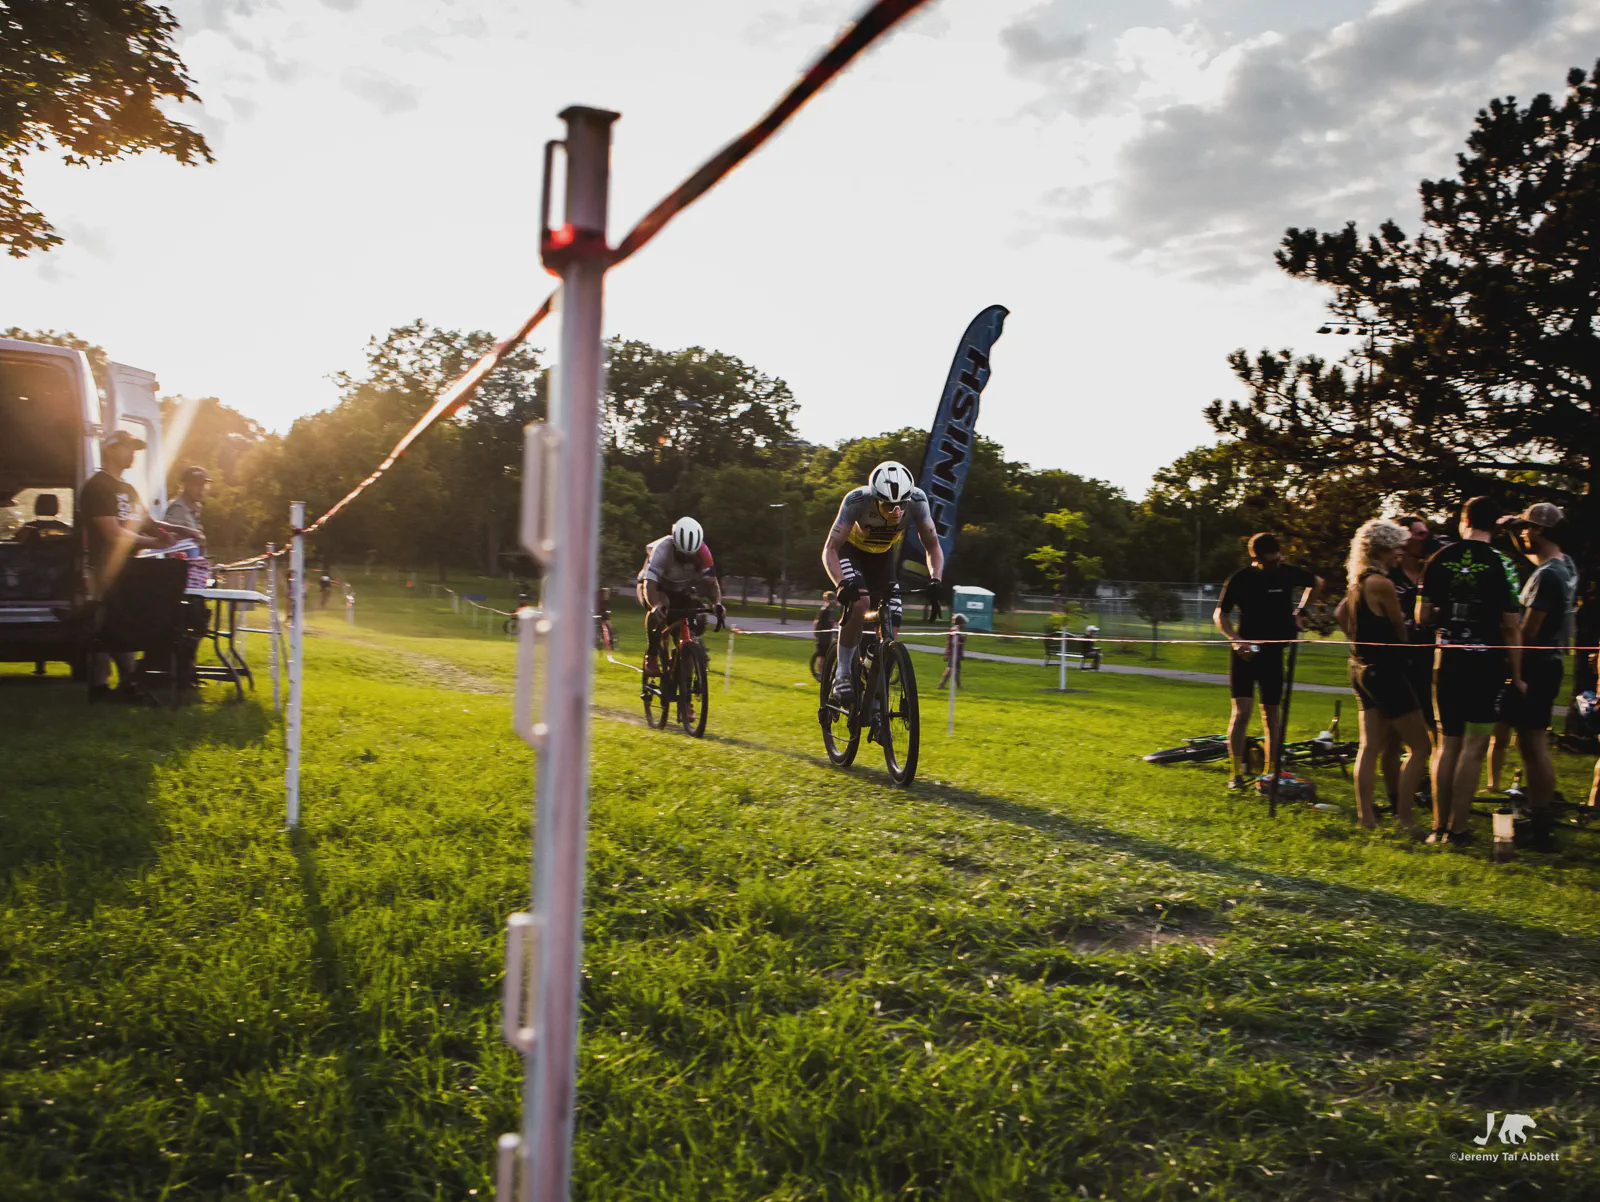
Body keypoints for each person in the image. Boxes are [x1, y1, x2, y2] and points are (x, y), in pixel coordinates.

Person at [1416, 496, 1523, 846]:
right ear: (1495, 526)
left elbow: (1422, 616)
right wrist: (1517, 674)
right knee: (1474, 747)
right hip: (1485, 664)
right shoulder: (1503, 564)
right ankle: (1458, 828)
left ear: (1464, 521)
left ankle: (1437, 827)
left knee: (1446, 745)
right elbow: (1511, 625)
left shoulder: (1438, 559)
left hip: (1446, 660)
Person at [821, 461, 944, 702]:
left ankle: (876, 697)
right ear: (876, 498)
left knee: (892, 622)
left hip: (882, 557)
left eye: (901, 504)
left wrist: (936, 580)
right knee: (860, 603)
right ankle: (843, 673)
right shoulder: (857, 501)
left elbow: (933, 547)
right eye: (889, 505)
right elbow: (830, 548)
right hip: (852, 552)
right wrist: (841, 583)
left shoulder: (918, 500)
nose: (897, 512)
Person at [1338, 519, 1431, 831]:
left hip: (1360, 668)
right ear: (1381, 549)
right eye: (1395, 548)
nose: (1399, 554)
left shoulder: (1357, 582)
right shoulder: (1382, 583)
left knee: (1369, 747)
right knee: (1420, 747)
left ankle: (1366, 818)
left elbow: (1340, 613)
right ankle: (1404, 818)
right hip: (1387, 672)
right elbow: (1401, 631)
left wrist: (1360, 637)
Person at [1213, 533, 1322, 793]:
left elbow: (1317, 582)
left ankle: (1271, 773)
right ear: (1256, 559)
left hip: (1273, 653)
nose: (1277, 563)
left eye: (1279, 558)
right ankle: (1236, 773)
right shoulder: (1240, 579)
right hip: (1245, 653)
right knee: (1242, 712)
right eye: (1271, 561)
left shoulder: (1287, 573)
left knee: (1272, 714)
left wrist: (1301, 611)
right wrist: (1235, 640)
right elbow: (1220, 614)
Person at [1501, 503, 1578, 851]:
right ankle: (1541, 811)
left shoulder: (1546, 576)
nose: (1522, 533)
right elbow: (1532, 555)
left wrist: (1505, 631)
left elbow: (1529, 631)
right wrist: (1509, 531)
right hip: (1553, 661)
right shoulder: (1565, 564)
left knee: (1532, 745)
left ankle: (1541, 820)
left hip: (1537, 664)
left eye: (1526, 528)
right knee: (1533, 742)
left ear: (1541, 530)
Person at [80, 430, 174, 699]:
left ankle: (128, 682)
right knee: (105, 624)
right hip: (102, 568)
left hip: (130, 569)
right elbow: (113, 533)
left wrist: (177, 532)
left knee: (123, 622)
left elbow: (148, 522)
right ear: (110, 450)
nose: (133, 453)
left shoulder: (129, 489)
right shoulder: (97, 487)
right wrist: (154, 542)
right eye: (128, 447)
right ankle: (101, 686)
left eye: (135, 448)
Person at [1382, 515, 1435, 809]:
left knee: (1432, 733)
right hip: (1397, 663)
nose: (1425, 539)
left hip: (1429, 661)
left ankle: (1425, 789)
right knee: (1392, 738)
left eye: (1426, 533)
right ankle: (1395, 800)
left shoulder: (1432, 571)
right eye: (1419, 534)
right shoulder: (1389, 575)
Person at [636, 516, 725, 676]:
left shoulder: (703, 553)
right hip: (653, 587)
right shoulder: (663, 549)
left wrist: (717, 604)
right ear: (675, 544)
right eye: (682, 554)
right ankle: (652, 655)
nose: (686, 559)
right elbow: (650, 585)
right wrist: (656, 605)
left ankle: (684, 670)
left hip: (680, 589)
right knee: (662, 606)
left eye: (691, 555)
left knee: (694, 617)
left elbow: (712, 584)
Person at [162, 466, 211, 548]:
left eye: (204, 485)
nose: (201, 489)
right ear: (185, 486)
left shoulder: (193, 508)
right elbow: (172, 547)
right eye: (196, 485)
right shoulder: (178, 510)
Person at [811, 590, 839, 677]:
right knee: (823, 655)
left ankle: (820, 672)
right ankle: (821, 673)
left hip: (823, 635)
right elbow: (831, 622)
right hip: (825, 636)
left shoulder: (824, 609)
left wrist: (816, 633)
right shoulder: (828, 610)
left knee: (822, 655)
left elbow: (817, 622)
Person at [938, 612, 968, 689]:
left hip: (957, 653)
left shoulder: (958, 630)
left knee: (957, 670)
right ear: (960, 622)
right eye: (963, 623)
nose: (964, 624)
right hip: (953, 653)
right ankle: (941, 685)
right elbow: (952, 642)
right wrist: (962, 641)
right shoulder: (954, 630)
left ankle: (958, 686)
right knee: (950, 669)